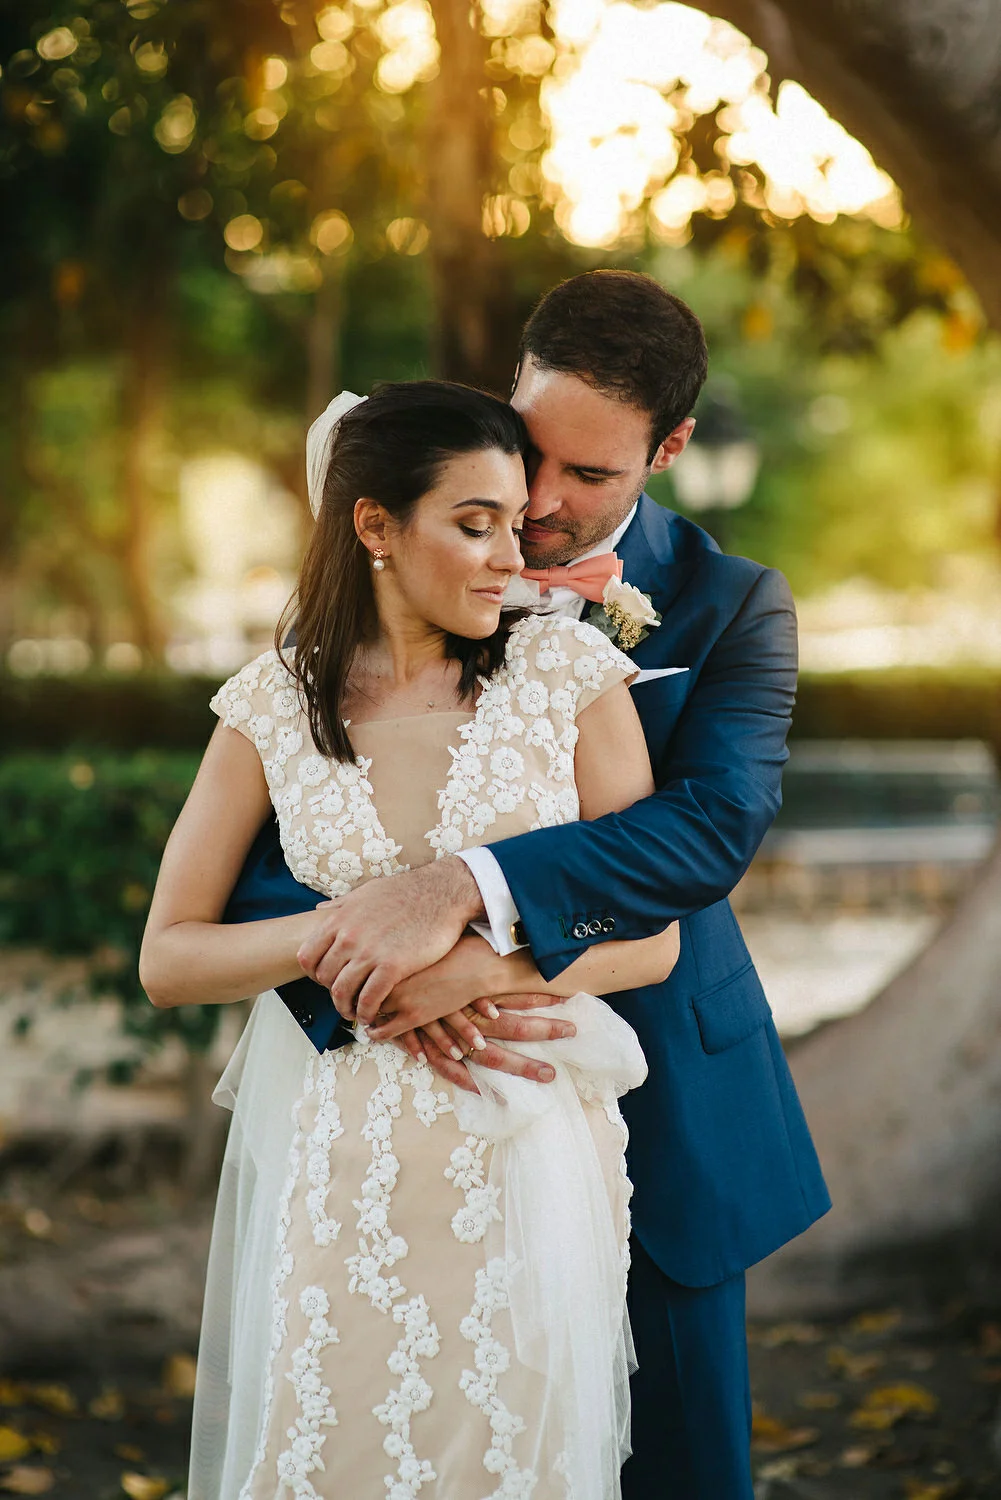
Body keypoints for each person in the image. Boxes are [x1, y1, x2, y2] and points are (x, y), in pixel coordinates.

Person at [226, 270, 832, 1498]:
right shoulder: (405, 539)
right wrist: (379, 977)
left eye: (590, 478)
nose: (539, 508)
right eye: (532, 451)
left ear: (670, 448)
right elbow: (262, 847)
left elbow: (704, 832)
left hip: (659, 1102)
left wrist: (465, 893)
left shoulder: (732, 608)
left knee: (676, 1472)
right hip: (397, 1124)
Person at [140, 379, 685, 1500]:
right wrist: (346, 937)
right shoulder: (271, 707)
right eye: (472, 524)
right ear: (374, 525)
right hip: (341, 1160)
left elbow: (654, 937)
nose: (506, 557)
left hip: (522, 1147)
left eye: (511, 525)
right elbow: (171, 956)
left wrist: (475, 965)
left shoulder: (569, 675)